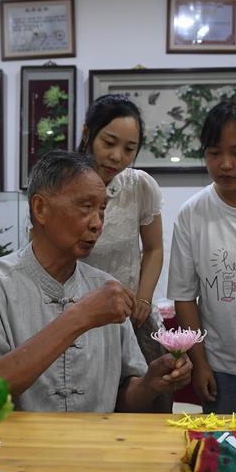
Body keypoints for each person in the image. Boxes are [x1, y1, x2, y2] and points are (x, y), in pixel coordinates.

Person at [0, 151, 191, 412]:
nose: (97, 224)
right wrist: (79, 317)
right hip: (11, 439)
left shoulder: (106, 288)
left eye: (102, 209)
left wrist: (150, 384)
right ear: (40, 208)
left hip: (94, 439)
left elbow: (123, 399)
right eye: (86, 207)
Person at [167, 100, 236, 414]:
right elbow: (184, 297)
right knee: (223, 442)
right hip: (221, 368)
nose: (225, 164)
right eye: (214, 153)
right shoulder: (193, 214)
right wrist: (199, 363)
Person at [77, 95, 164, 335]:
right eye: (108, 143)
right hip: (75, 315)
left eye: (129, 149)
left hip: (127, 317)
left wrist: (144, 299)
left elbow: (154, 249)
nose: (117, 156)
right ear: (87, 133)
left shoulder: (139, 186)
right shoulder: (61, 185)